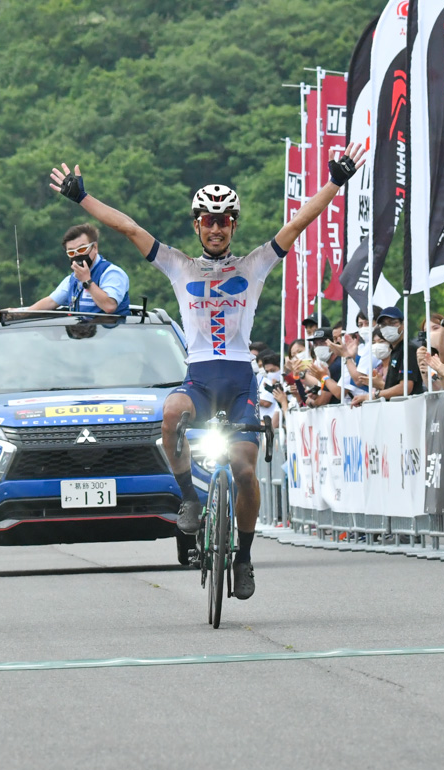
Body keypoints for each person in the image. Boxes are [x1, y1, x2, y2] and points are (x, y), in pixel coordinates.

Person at [48, 142, 366, 601]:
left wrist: (336, 179)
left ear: (233, 225)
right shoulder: (179, 265)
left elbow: (298, 223)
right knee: (171, 413)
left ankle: (244, 557)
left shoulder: (255, 263)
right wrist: (82, 198)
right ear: (197, 225)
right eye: (208, 220)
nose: (216, 228)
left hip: (239, 381)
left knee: (244, 470)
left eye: (224, 220)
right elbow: (128, 228)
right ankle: (190, 500)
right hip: (198, 379)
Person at [23, 224, 130, 315]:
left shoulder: (111, 273)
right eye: (71, 252)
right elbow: (51, 302)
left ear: (95, 248)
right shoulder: (73, 279)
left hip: (112, 336)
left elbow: (109, 306)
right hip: (83, 336)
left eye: (82, 249)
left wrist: (87, 281)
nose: (77, 255)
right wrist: (19, 314)